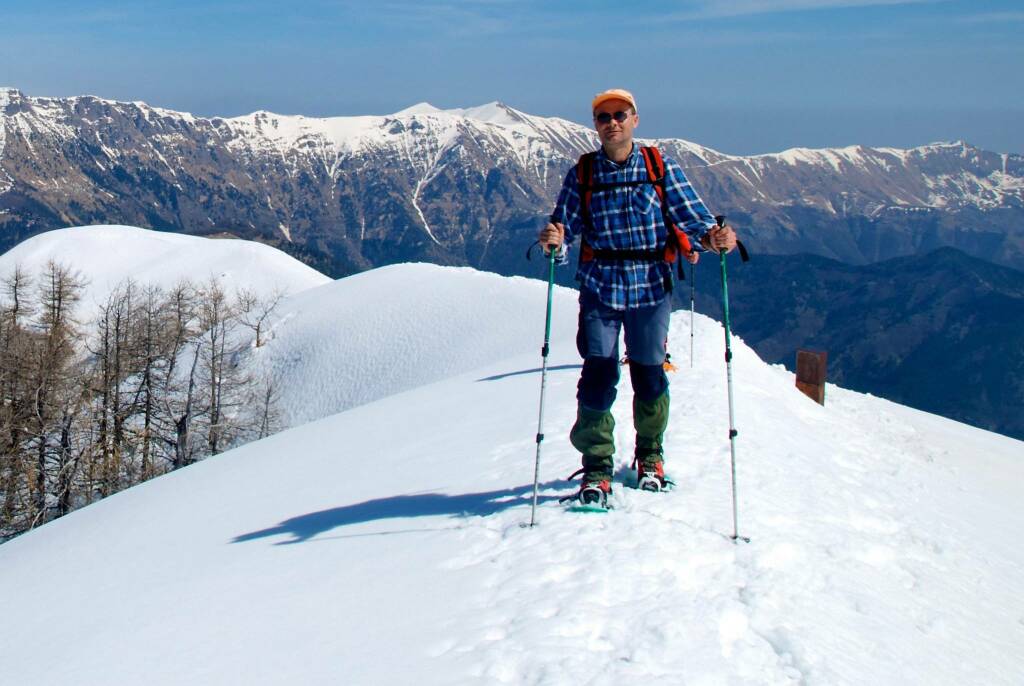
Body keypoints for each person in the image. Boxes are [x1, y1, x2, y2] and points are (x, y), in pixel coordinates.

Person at [539, 88, 738, 508]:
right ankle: (597, 463)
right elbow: (566, 225)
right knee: (597, 373)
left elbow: (694, 218)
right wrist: (554, 240)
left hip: (648, 286)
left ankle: (649, 455)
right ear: (595, 125)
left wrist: (716, 238)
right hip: (601, 288)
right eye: (603, 117)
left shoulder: (659, 168)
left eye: (619, 115)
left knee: (648, 374)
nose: (612, 123)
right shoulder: (583, 174)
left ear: (635, 119)